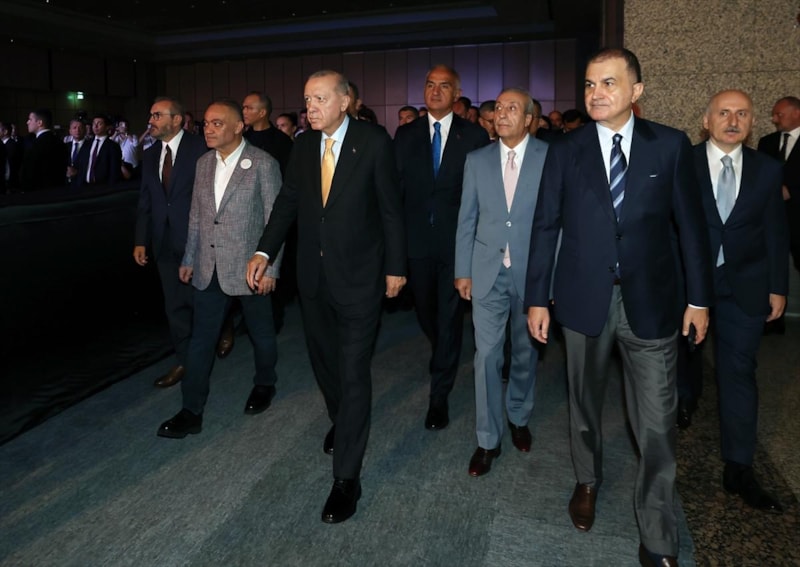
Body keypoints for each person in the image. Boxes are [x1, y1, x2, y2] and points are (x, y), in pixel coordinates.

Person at [525, 47, 713, 567]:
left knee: (657, 425)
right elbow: (546, 225)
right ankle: (587, 479)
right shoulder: (565, 149)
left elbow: (692, 229)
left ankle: (658, 535)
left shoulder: (670, 146)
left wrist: (699, 299)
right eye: (589, 84)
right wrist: (536, 297)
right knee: (584, 405)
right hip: (582, 300)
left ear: (637, 90)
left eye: (608, 83)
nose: (596, 93)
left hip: (652, 303)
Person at [246, 70, 406, 524]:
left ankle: (347, 479)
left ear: (344, 101)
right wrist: (264, 250)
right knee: (326, 365)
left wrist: (396, 266)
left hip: (360, 277)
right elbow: (287, 203)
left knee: (353, 372)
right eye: (306, 100)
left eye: (319, 99)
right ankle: (344, 419)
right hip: (314, 279)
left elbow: (391, 208)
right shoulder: (302, 146)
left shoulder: (373, 142)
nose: (310, 108)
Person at [158, 98, 283, 438]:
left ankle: (265, 383)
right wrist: (189, 258)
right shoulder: (202, 164)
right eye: (206, 124)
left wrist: (271, 268)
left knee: (261, 333)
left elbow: (275, 221)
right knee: (201, 340)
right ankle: (191, 410)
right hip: (208, 267)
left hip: (250, 269)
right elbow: (197, 217)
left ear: (239, 127)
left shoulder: (263, 164)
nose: (208, 130)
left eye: (217, 123)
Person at [695, 89, 787, 513]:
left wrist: (777, 286)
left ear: (752, 123)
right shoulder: (683, 163)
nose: (733, 121)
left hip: (745, 287)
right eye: (724, 113)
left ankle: (739, 467)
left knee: (739, 373)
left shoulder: (767, 169)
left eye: (742, 114)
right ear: (706, 120)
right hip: (689, 285)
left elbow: (775, 230)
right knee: (676, 367)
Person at [454, 88, 548, 476]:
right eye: (499, 108)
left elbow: (556, 223)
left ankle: (518, 416)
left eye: (513, 108)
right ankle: (487, 438)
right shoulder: (477, 160)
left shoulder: (549, 157)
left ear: (528, 119)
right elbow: (467, 218)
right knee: (487, 355)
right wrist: (463, 270)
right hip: (486, 270)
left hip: (532, 273)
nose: (503, 113)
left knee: (525, 352)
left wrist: (551, 279)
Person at [394, 64, 489, 431]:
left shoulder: (474, 135)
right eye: (430, 84)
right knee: (426, 312)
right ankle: (443, 351)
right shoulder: (406, 135)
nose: (435, 91)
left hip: (456, 243)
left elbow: (481, 196)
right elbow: (396, 192)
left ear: (457, 93)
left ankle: (439, 396)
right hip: (416, 241)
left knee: (448, 318)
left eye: (444, 86)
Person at [134, 96, 209, 388]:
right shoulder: (151, 153)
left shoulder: (201, 147)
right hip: (163, 241)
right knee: (174, 305)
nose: (150, 121)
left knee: (202, 302)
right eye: (151, 115)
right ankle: (185, 361)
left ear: (176, 120)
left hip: (197, 240)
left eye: (157, 115)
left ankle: (220, 331)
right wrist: (141, 240)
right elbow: (146, 200)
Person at [19, 108, 63, 191]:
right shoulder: (60, 142)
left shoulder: (34, 145)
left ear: (39, 123)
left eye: (30, 119)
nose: (27, 122)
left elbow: (29, 173)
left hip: (38, 193)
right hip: (58, 191)